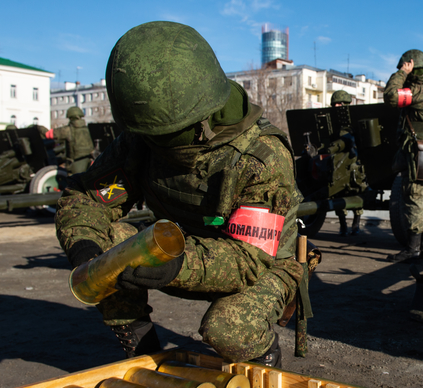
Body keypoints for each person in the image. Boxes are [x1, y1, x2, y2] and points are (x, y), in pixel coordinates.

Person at [54, 21, 303, 367]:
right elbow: (85, 199)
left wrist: (177, 265)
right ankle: (145, 356)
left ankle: (262, 360)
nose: (154, 144)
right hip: (179, 252)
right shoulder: (143, 139)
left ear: (198, 123)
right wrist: (86, 250)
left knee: (227, 329)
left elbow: (248, 260)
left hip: (264, 264)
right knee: (107, 250)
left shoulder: (262, 156)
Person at [383, 49, 423, 262]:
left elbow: (390, 97)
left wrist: (400, 73)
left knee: (413, 196)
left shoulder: (418, 91)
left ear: (411, 66)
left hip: (416, 150)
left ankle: (413, 248)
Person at [330, 90, 364, 235]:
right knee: (337, 195)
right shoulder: (331, 123)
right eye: (335, 104)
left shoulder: (353, 121)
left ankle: (356, 224)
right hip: (337, 163)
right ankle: (343, 225)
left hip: (353, 161)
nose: (337, 106)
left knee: (357, 191)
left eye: (340, 103)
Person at [46, 106, 95, 174]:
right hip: (89, 161)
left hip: (74, 164)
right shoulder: (89, 129)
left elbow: (49, 134)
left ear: (70, 117)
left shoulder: (67, 130)